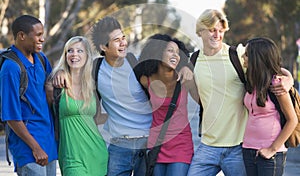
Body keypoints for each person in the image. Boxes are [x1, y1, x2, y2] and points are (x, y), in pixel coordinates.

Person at [187, 9, 294, 176]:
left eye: (221, 31)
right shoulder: (192, 61)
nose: (217, 35)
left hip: (239, 146)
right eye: (212, 30)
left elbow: (267, 65)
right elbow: (198, 98)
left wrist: (289, 79)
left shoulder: (236, 55)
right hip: (208, 145)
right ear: (200, 31)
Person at [53, 16, 153, 176]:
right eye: (116, 40)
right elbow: (76, 68)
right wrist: (59, 71)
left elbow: (166, 73)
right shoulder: (95, 69)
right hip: (119, 145)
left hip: (146, 142)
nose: (123, 43)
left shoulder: (137, 64)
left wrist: (185, 68)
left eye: (123, 38)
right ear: (103, 47)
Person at [0, 15, 57, 175]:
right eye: (38, 35)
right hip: (29, 149)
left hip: (48, 144)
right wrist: (35, 147)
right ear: (21, 36)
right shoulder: (10, 68)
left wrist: (51, 85)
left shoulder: (40, 58)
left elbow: (51, 83)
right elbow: (10, 116)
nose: (42, 39)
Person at [137, 34, 199, 176]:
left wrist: (189, 67)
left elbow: (203, 102)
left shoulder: (185, 79)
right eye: (170, 51)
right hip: (156, 144)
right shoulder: (146, 80)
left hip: (181, 145)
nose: (175, 55)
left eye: (178, 53)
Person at [50, 36, 108, 175]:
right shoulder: (57, 83)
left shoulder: (92, 85)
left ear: (87, 55)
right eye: (70, 50)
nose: (74, 54)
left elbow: (97, 118)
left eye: (79, 51)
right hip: (71, 157)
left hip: (97, 154)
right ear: (65, 55)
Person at [241, 37, 297, 176]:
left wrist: (272, 149)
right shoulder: (252, 81)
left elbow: (292, 120)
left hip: (270, 153)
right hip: (248, 149)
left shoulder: (276, 85)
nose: (243, 56)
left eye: (247, 54)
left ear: (256, 59)